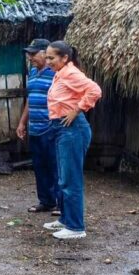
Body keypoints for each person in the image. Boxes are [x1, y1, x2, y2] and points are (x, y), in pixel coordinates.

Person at [41, 41, 101, 240]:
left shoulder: (71, 73)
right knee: (62, 177)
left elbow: (94, 90)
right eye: (47, 57)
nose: (47, 61)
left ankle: (76, 227)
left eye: (51, 58)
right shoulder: (61, 73)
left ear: (64, 58)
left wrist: (77, 109)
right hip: (61, 128)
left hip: (72, 129)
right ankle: (66, 219)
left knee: (71, 179)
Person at [16, 39, 60, 214]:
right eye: (29, 54)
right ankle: (46, 201)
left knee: (55, 166)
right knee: (40, 166)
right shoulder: (32, 72)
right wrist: (22, 122)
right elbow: (30, 98)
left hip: (51, 127)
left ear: (45, 53)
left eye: (33, 54)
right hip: (34, 127)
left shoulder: (56, 73)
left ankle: (59, 202)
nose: (30, 57)